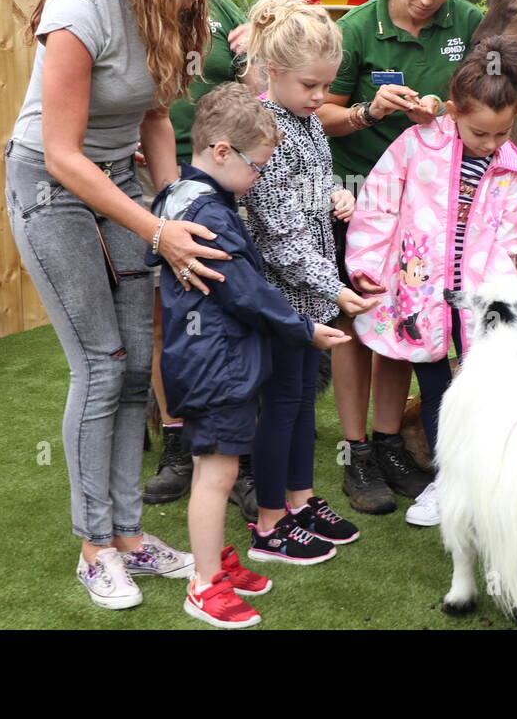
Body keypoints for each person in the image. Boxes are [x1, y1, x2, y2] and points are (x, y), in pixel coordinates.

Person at [5, 0, 235, 610]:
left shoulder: (171, 8)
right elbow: (66, 154)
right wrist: (158, 229)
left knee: (140, 364)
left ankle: (131, 536)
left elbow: (156, 116)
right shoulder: (82, 5)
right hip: (51, 183)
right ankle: (93, 545)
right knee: (101, 365)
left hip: (120, 183)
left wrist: (178, 204)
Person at [148, 84, 351, 627]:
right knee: (214, 474)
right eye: (256, 167)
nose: (259, 177)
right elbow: (245, 291)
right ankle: (203, 584)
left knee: (221, 465)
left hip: (209, 357)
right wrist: (304, 328)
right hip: (215, 362)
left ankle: (216, 560)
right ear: (221, 152)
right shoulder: (210, 212)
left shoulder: (182, 196)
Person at [315, 0, 483, 514]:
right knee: (354, 321)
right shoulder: (358, 29)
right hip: (355, 198)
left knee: (400, 322)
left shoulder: (467, 21)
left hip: (427, 205)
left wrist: (448, 105)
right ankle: (356, 452)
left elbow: (490, 94)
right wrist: (366, 110)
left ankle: (390, 444)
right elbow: (319, 115)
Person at [345, 35, 517, 526]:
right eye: (479, 133)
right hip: (419, 292)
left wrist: (495, 287)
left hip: (476, 300)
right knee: (436, 389)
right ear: (451, 111)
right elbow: (378, 205)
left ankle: (485, 482)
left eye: (502, 134)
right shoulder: (415, 145)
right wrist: (366, 266)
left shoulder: (510, 170)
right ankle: (446, 482)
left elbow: (507, 236)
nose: (491, 144)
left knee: (479, 387)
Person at [239, 0, 379, 556]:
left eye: (327, 86)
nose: (322, 98)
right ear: (273, 72)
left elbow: (311, 191)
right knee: (279, 409)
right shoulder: (264, 132)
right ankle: (270, 525)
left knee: (300, 404)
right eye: (311, 88)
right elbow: (281, 238)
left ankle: (300, 499)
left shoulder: (308, 123)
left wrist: (336, 198)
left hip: (309, 295)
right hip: (281, 300)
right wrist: (338, 290)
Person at [145, 0, 253, 515]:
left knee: (225, 306)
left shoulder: (227, 8)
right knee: (163, 318)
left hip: (225, 172)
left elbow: (252, 85)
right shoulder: (136, 3)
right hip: (151, 169)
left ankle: (235, 449)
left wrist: (251, 44)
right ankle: (178, 442)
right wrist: (170, 196)